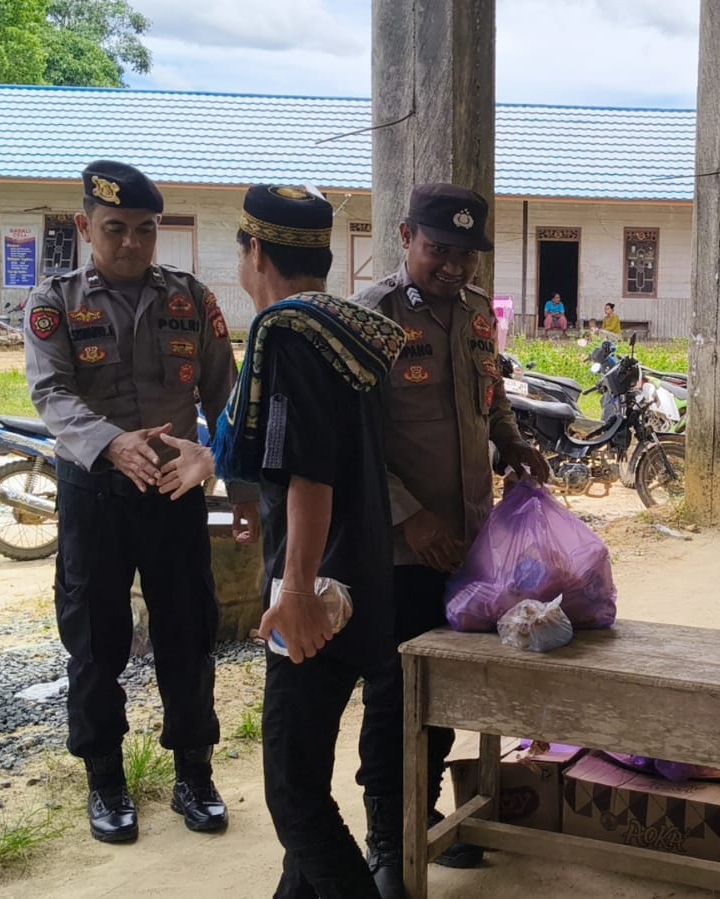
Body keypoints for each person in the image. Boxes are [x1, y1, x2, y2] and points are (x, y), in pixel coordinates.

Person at [24, 160, 256, 843]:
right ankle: (106, 781)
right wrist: (112, 443)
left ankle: (194, 773)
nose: (130, 242)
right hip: (94, 491)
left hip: (174, 491)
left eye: (145, 230)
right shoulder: (55, 302)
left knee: (188, 634)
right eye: (116, 229)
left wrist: (223, 470)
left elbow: (226, 394)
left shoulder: (191, 298)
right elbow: (52, 393)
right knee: (95, 642)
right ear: (85, 226)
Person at [352, 183, 551, 898]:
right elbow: (356, 443)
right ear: (406, 236)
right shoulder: (369, 317)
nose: (454, 266)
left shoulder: (474, 316)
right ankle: (384, 838)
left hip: (468, 541)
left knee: (444, 689)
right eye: (439, 249)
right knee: (394, 690)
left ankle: (422, 810)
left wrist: (514, 446)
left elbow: (488, 400)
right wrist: (410, 516)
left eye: (466, 254)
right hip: (402, 546)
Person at [210, 185, 406, 898]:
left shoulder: (286, 332)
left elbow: (308, 473)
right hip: (365, 576)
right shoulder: (345, 325)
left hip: (320, 593)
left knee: (295, 798)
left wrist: (294, 591)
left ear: (254, 250)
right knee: (307, 779)